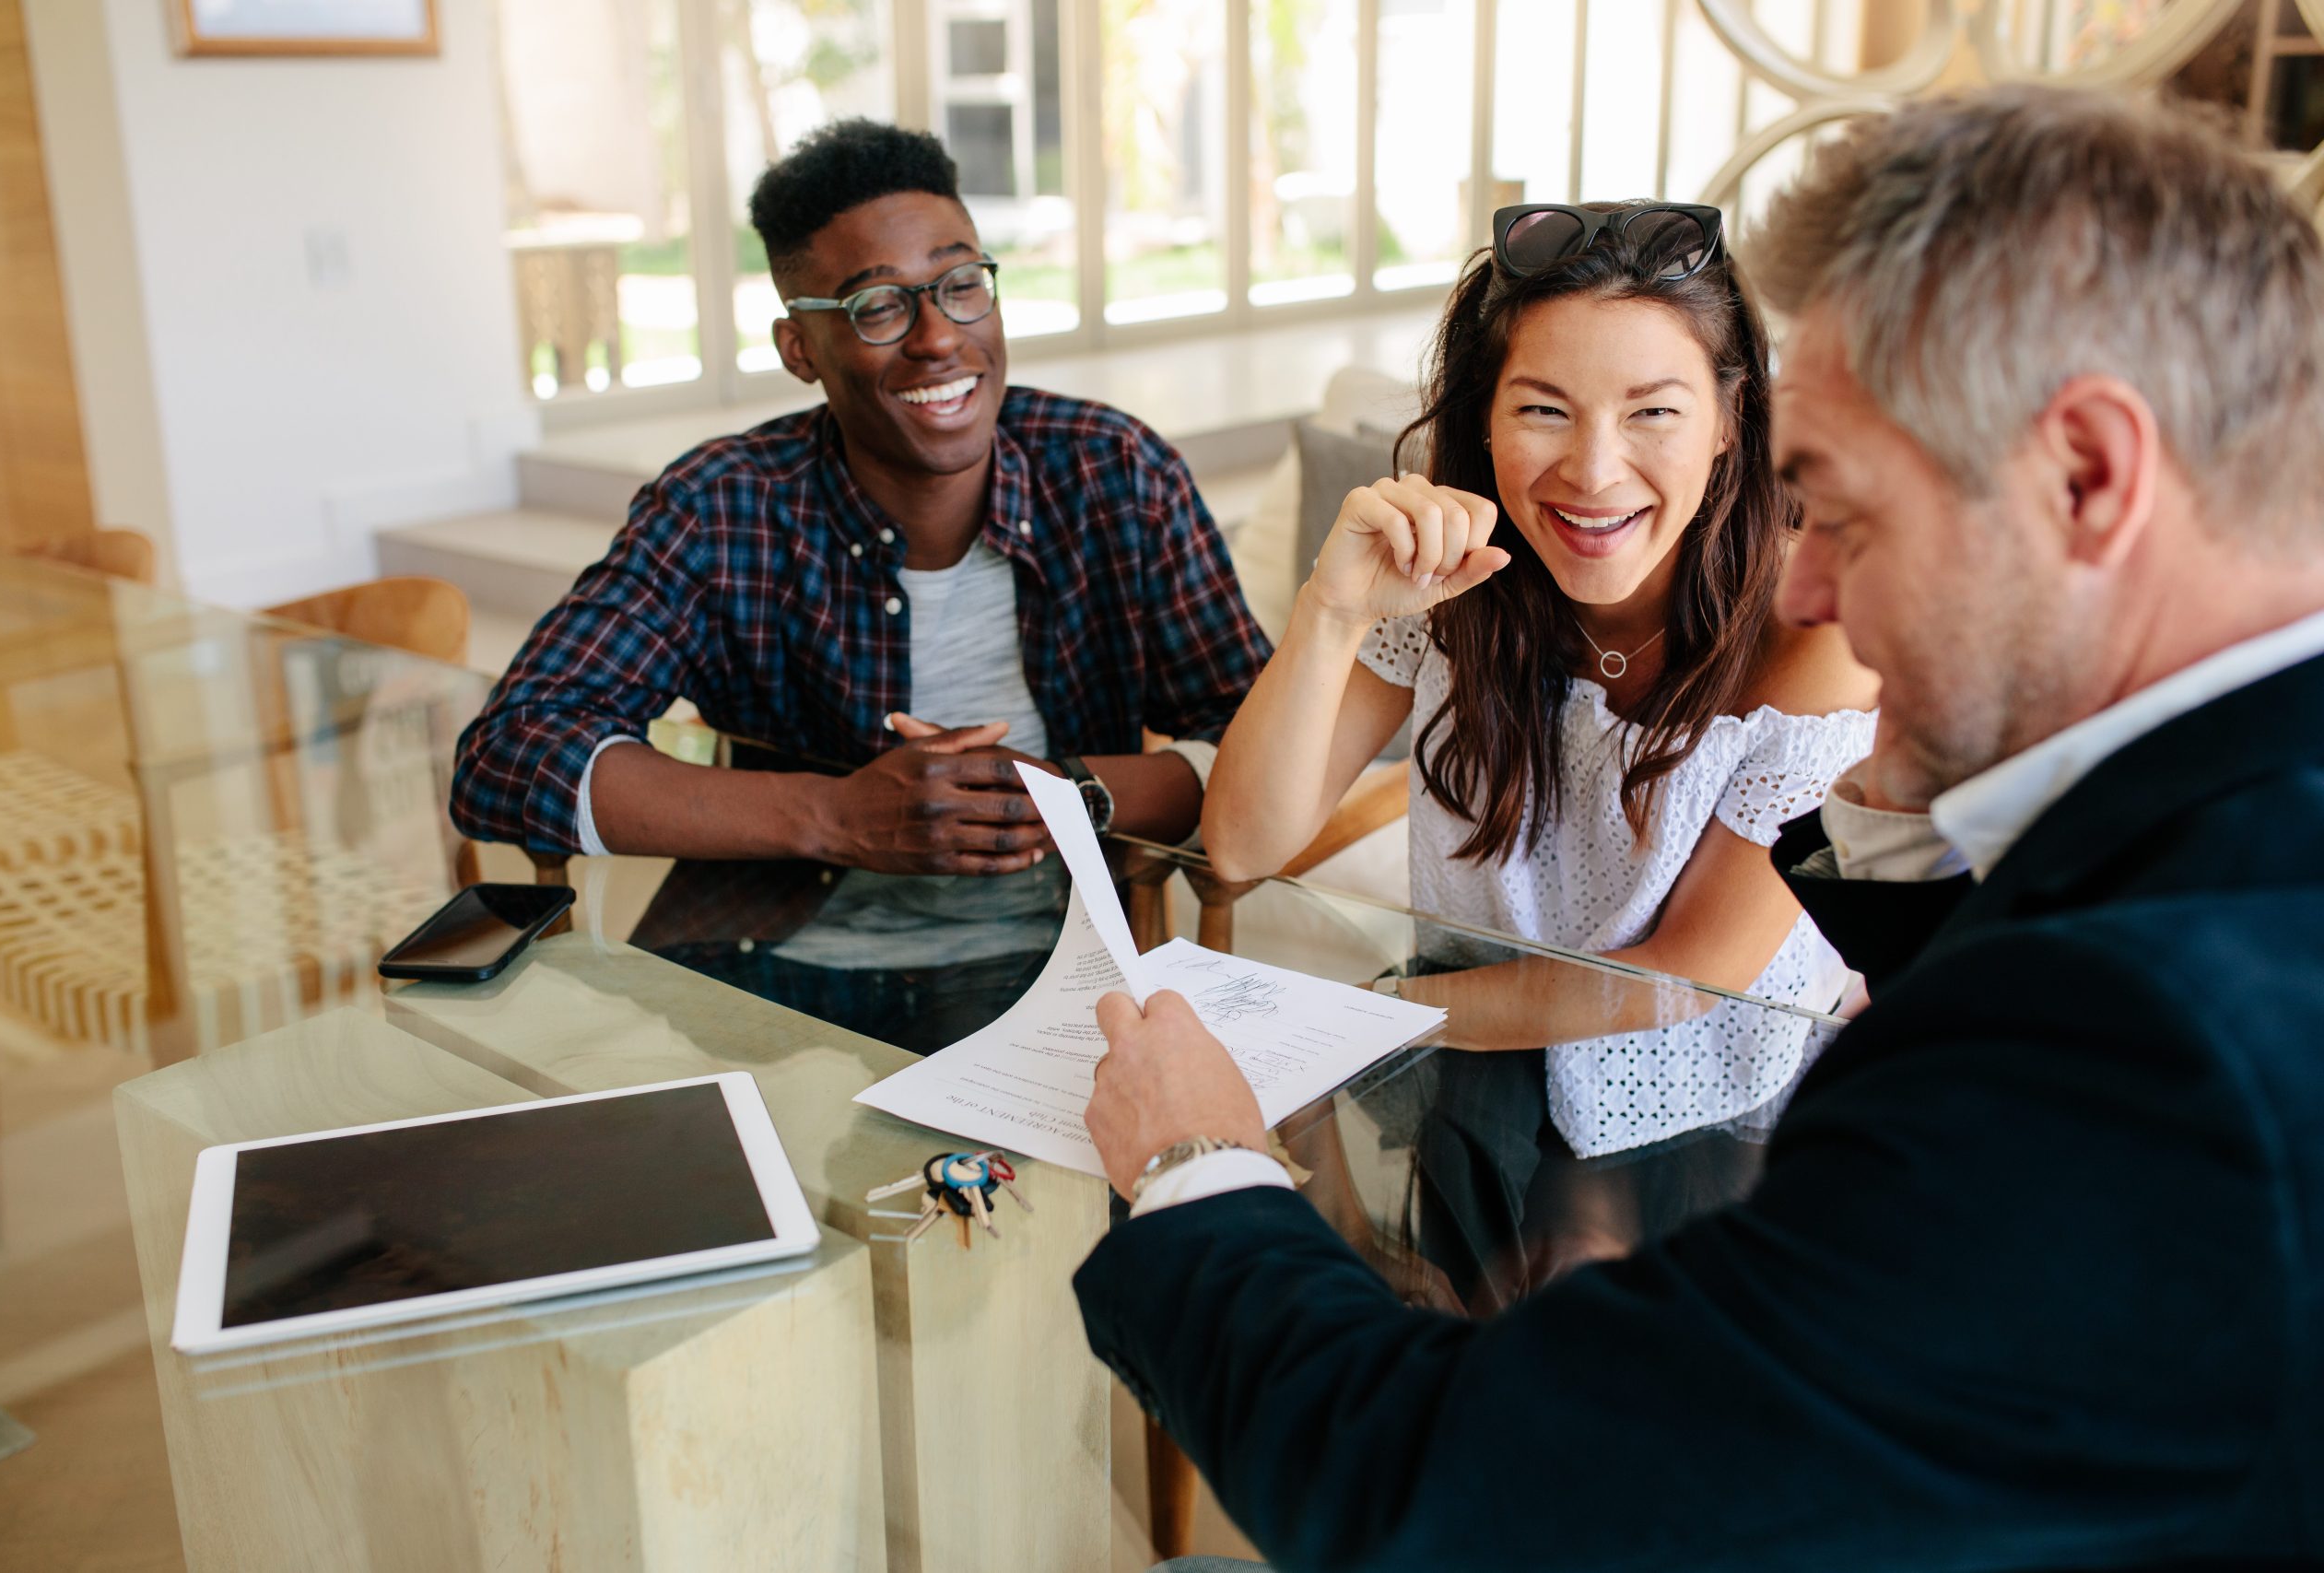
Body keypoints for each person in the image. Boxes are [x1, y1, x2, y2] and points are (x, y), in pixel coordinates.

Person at [1079, 84, 2324, 1571]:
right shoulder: (2207, 855)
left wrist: (1202, 1160)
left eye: (1844, 513)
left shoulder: (2128, 1043)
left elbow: (1495, 1505)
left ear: (2088, 476)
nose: (1805, 590)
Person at [1201, 199, 1874, 1292]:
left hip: (1713, 1112)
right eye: (1544, 410)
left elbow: (1689, 978)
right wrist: (1335, 609)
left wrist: (1362, 1020)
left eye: (1652, 410)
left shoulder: (1811, 631)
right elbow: (1237, 847)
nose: (1595, 472)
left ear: (1727, 418)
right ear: (1481, 420)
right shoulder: (1453, 595)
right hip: (1484, 1068)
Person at [451, 120, 1267, 872]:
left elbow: (1259, 743)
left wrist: (1066, 795)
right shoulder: (721, 508)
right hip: (782, 975)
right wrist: (837, 815)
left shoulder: (1115, 473)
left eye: (959, 282)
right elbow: (508, 752)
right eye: (877, 305)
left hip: (1072, 972)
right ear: (799, 348)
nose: (940, 336)